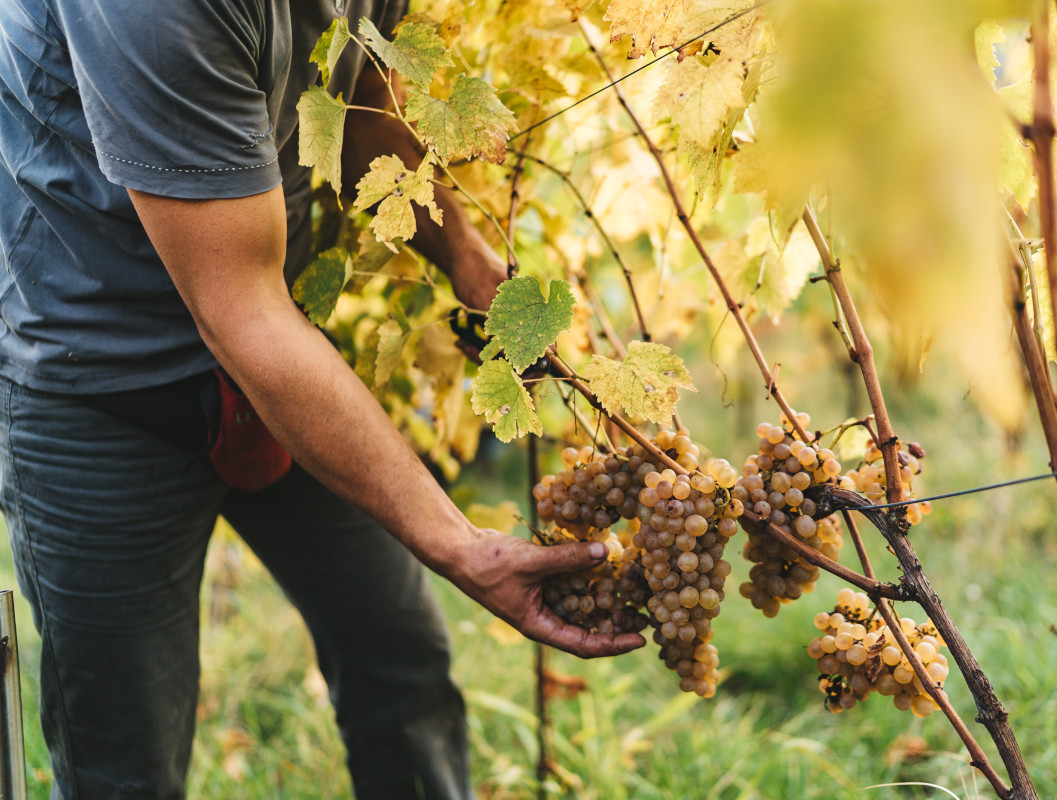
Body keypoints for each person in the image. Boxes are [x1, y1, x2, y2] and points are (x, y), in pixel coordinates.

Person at [0, 0, 645, 797]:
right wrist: (459, 544)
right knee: (123, 765)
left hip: (281, 354)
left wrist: (467, 257)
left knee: (401, 657)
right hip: (100, 388)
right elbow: (243, 311)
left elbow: (361, 100)